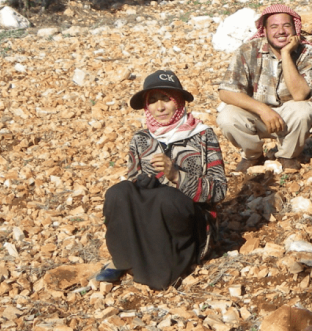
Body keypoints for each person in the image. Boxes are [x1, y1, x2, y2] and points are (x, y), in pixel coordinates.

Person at [97, 70, 227, 290]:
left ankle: (167, 263)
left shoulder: (203, 135)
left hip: (188, 225)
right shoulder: (141, 139)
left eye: (166, 98)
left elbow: (219, 191)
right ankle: (122, 258)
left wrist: (176, 175)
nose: (160, 107)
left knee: (166, 197)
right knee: (118, 192)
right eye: (153, 101)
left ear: (179, 102)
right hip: (150, 221)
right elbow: (132, 191)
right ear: (147, 106)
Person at [217, 4, 312, 173]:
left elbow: (300, 94)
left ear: (295, 29)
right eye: (274, 27)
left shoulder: (307, 53)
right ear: (264, 31)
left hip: (288, 117)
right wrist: (262, 110)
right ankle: (253, 155)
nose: (280, 31)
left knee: (303, 111)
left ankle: (287, 155)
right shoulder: (248, 50)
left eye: (286, 26)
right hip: (256, 114)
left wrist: (287, 54)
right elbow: (225, 92)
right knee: (227, 116)